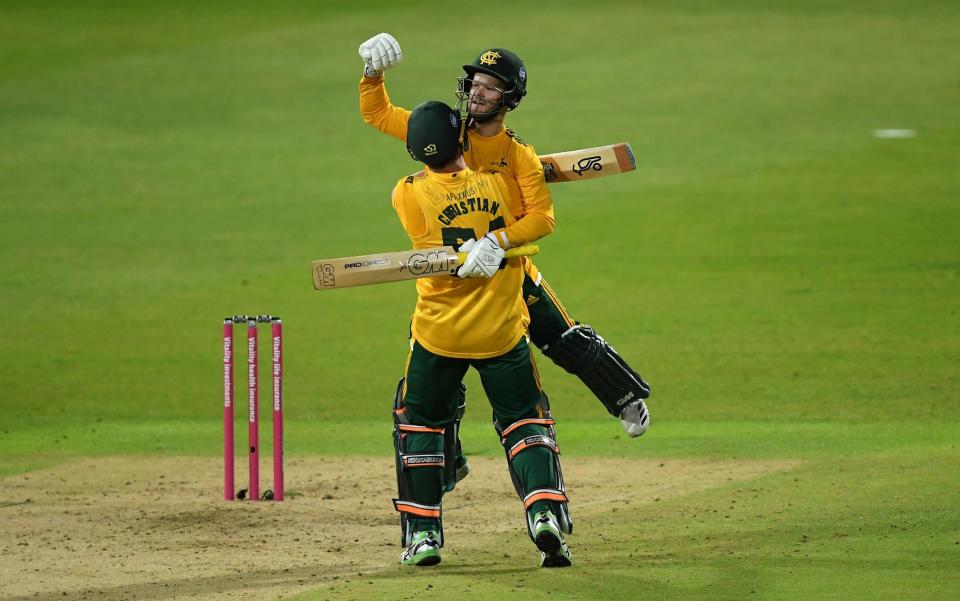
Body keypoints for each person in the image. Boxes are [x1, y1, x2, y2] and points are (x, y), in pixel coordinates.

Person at [358, 34, 652, 451]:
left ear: (509, 97)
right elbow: (378, 113)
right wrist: (372, 73)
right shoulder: (444, 131)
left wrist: (498, 241)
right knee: (435, 367)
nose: (477, 91)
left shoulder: (518, 156)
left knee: (562, 337)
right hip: (453, 278)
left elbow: (542, 217)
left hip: (508, 268)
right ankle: (447, 460)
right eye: (474, 82)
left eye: (489, 85)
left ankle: (624, 396)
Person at [389, 100, 572, 568]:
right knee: (524, 418)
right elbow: (536, 214)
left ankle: (425, 534)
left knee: (421, 423)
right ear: (461, 143)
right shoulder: (499, 185)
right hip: (501, 332)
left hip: (439, 335)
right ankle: (545, 514)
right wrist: (499, 239)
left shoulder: (406, 195)